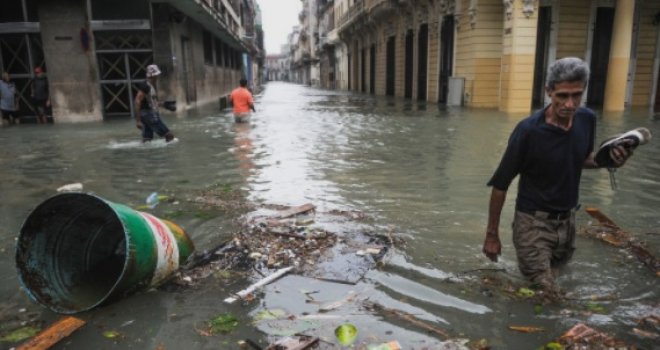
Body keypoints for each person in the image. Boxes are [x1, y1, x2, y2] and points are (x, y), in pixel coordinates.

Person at [482, 57, 634, 296]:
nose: (570, 104)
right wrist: (492, 234)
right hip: (532, 223)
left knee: (552, 282)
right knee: (547, 292)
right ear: (548, 92)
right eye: (562, 96)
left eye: (577, 95)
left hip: (567, 222)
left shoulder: (587, 119)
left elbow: (583, 158)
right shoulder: (528, 131)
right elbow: (501, 184)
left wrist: (610, 161)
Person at [134, 64, 175, 142]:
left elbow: (150, 102)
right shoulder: (146, 86)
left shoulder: (150, 86)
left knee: (147, 140)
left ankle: (145, 153)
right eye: (157, 74)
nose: (158, 76)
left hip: (147, 114)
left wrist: (164, 105)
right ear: (153, 75)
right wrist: (138, 121)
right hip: (149, 115)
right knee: (170, 136)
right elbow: (137, 101)